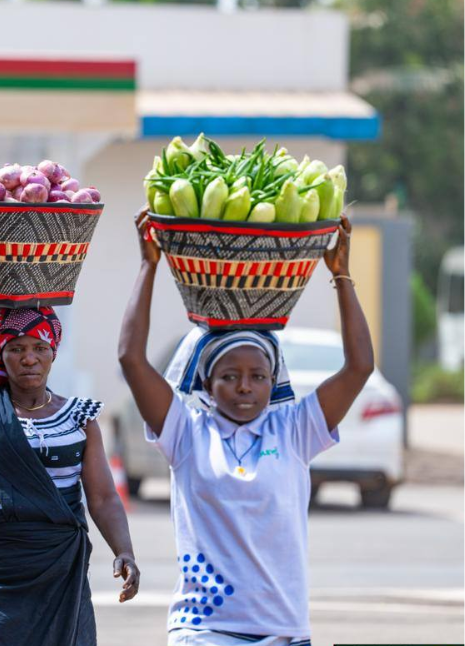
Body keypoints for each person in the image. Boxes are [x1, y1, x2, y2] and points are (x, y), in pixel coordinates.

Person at [117, 211, 372, 646]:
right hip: (203, 630)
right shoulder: (186, 432)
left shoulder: (294, 430)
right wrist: (149, 266)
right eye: (229, 376)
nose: (244, 387)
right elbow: (131, 359)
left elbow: (359, 367)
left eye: (258, 376)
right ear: (207, 384)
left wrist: (342, 277)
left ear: (274, 381)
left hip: (283, 631)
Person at [0, 305, 140, 646]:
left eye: (40, 347)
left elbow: (102, 497)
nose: (29, 359)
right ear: (0, 354)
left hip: (58, 570)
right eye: (16, 349)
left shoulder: (79, 417)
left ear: (54, 352)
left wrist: (124, 550)